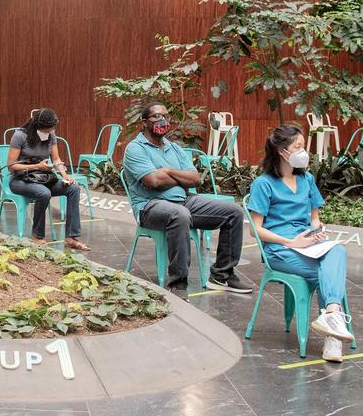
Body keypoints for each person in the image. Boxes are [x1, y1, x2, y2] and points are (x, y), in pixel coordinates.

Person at [122, 102, 252, 296]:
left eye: (166, 116)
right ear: (144, 122)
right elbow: (153, 181)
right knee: (179, 214)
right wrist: (178, 178)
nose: (163, 120)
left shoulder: (174, 148)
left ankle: (222, 275)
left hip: (185, 200)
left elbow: (196, 179)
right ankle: (178, 283)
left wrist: (167, 171)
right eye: (157, 117)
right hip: (149, 206)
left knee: (233, 212)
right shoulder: (135, 149)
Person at [248, 125, 354, 362]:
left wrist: (318, 231)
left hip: (306, 243)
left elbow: (314, 217)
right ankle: (333, 339)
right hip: (279, 249)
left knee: (337, 250)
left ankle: (331, 317)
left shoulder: (306, 179)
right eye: (298, 147)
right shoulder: (263, 184)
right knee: (326, 273)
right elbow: (255, 230)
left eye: (303, 147)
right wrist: (290, 241)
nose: (303, 152)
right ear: (281, 151)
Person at [7, 108, 88, 250]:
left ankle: (71, 237)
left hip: (43, 177)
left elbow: (56, 159)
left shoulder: (51, 135)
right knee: (44, 193)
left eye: (52, 129)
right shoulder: (20, 135)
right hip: (20, 180)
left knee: (73, 188)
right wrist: (36, 166)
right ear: (38, 125)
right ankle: (37, 236)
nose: (50, 131)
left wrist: (65, 175)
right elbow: (11, 166)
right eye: (47, 129)